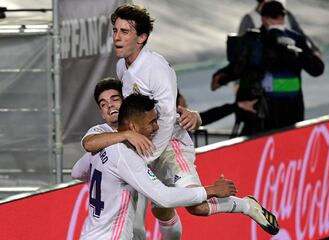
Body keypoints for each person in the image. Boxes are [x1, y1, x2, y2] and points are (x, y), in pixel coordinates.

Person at [84, 4, 279, 239]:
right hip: (146, 144)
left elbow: (166, 119)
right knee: (160, 210)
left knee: (196, 206)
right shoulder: (121, 66)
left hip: (170, 145)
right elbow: (139, 110)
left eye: (125, 32)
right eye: (115, 30)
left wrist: (146, 155)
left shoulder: (155, 68)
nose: (117, 37)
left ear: (142, 37)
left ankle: (246, 206)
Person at [72, 93, 238, 240]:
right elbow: (164, 197)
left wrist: (110, 180)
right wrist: (211, 190)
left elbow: (77, 172)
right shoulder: (125, 156)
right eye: (151, 122)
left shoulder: (100, 147)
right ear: (133, 127)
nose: (156, 127)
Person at [212, 1, 324, 136]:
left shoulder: (295, 40)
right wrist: (222, 77)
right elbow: (239, 67)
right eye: (274, 17)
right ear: (263, 19)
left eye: (280, 17)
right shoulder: (253, 40)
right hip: (260, 111)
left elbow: (317, 69)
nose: (278, 21)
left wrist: (298, 53)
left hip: (291, 110)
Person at [238, 0, 321, 55]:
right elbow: (241, 49)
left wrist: (313, 50)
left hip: (287, 69)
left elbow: (299, 33)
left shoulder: (286, 14)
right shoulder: (249, 18)